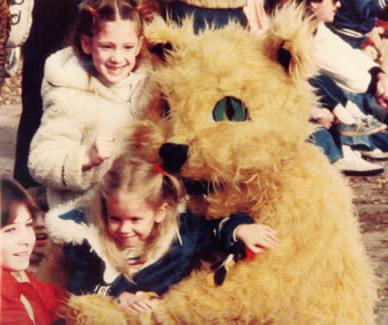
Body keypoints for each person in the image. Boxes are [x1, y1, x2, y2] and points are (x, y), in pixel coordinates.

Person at [45, 155, 278, 313]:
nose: (125, 229)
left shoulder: (182, 232)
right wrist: (119, 297)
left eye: (135, 219)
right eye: (115, 218)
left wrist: (239, 229)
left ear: (160, 212)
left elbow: (215, 228)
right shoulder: (88, 242)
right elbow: (81, 286)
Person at [28, 0, 159, 208]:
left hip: (137, 215)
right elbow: (40, 162)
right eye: (107, 47)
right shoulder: (70, 96)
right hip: (87, 214)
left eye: (127, 47)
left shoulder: (150, 87)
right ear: (87, 44)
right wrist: (85, 158)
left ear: (139, 45)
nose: (117, 58)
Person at [0, 177, 66, 324]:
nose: (26, 239)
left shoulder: (20, 275)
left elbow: (55, 300)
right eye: (11, 230)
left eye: (29, 224)